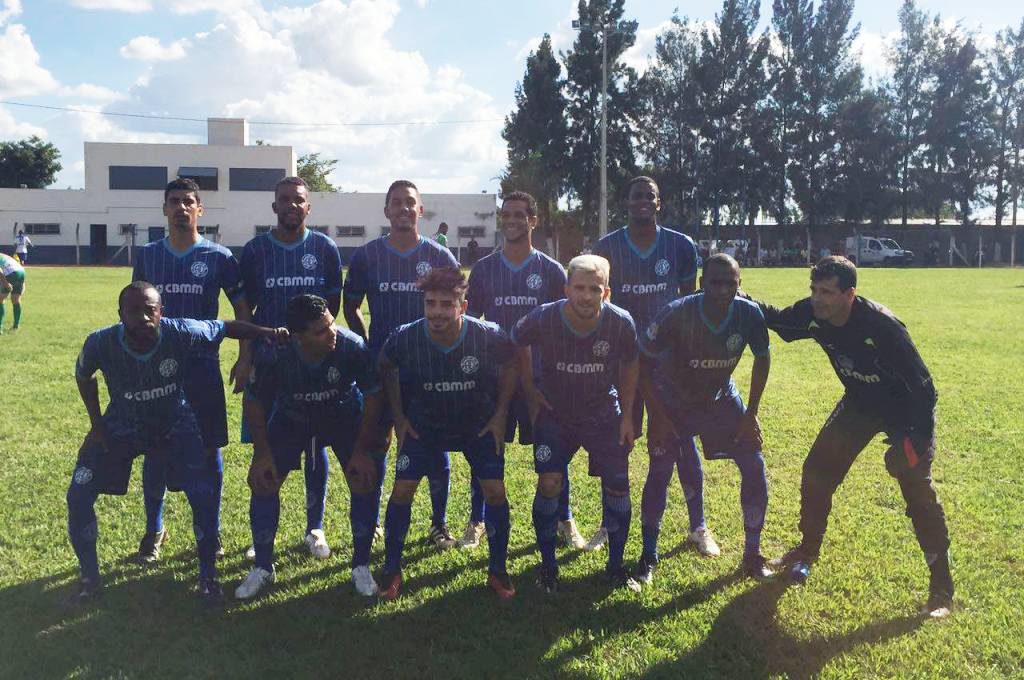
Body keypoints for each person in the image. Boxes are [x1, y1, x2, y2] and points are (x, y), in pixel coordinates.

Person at [756, 256, 954, 618]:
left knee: (917, 493)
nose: (817, 298)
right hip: (861, 403)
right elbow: (779, 320)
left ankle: (941, 588)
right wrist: (737, 295)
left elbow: (924, 388)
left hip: (905, 411)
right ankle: (807, 550)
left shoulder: (883, 326)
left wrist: (917, 440)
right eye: (814, 289)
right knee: (816, 471)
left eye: (827, 292)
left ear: (850, 294)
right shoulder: (813, 314)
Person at [66, 282, 285, 604]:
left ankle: (208, 577)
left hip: (174, 424)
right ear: (120, 314)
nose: (143, 317)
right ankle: (89, 578)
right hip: (122, 425)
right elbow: (84, 375)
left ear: (161, 312)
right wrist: (97, 426)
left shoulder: (181, 331)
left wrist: (267, 332)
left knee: (203, 494)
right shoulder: (100, 342)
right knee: (78, 494)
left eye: (150, 310)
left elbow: (226, 327)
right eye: (133, 311)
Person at [593, 176, 717, 557]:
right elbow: (599, 305)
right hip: (623, 362)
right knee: (618, 441)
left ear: (659, 203)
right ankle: (608, 522)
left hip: (668, 365)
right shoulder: (607, 248)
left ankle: (698, 525)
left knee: (682, 441)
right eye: (636, 196)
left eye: (650, 196)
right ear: (626, 202)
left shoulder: (680, 245)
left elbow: (691, 304)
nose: (643, 201)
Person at [377, 267, 518, 600]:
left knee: (495, 491)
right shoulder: (405, 336)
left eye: (446, 304)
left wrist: (500, 413)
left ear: (463, 306)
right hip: (425, 425)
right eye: (431, 304)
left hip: (477, 424)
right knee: (402, 490)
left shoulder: (488, 335)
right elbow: (386, 365)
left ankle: (498, 569)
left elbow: (513, 363)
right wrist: (399, 417)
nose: (437, 312)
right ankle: (392, 569)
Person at [130, 178, 250, 563]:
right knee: (154, 447)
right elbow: (135, 310)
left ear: (200, 209)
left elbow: (242, 308)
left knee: (209, 447)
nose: (181, 208)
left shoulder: (219, 256)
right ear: (164, 209)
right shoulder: (148, 256)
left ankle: (210, 533)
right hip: (156, 369)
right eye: (174, 202)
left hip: (202, 366)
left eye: (188, 202)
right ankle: (154, 530)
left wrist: (245, 356)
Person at [236, 294, 385, 599]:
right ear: (297, 337)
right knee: (264, 481)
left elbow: (373, 396)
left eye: (331, 324)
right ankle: (263, 567)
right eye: (320, 331)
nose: (332, 333)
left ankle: (361, 565)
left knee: (363, 479)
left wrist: (362, 450)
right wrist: (262, 455)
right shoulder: (273, 353)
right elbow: (253, 403)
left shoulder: (351, 346)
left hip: (343, 416)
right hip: (292, 418)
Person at [637, 254, 773, 584]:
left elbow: (762, 358)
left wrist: (751, 414)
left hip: (721, 400)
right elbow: (642, 363)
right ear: (701, 283)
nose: (723, 289)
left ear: (740, 284)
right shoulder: (677, 312)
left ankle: (752, 555)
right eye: (715, 282)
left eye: (731, 283)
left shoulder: (749, 314)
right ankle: (648, 556)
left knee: (754, 464)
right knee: (660, 471)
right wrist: (658, 416)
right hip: (673, 403)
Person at [512, 254, 642, 593]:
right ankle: (548, 567)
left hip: (603, 413)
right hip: (555, 414)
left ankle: (616, 567)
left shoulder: (621, 322)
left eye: (595, 289)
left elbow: (630, 364)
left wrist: (628, 415)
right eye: (579, 288)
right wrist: (530, 389)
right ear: (566, 289)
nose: (586, 296)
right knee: (549, 483)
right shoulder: (544, 317)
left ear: (606, 292)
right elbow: (517, 340)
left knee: (618, 486)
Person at [343, 180, 461, 550]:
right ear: (386, 210)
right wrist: (368, 345)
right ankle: (376, 520)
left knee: (435, 441)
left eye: (410, 203)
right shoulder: (368, 255)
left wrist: (445, 348)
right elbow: (351, 305)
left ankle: (439, 523)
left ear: (420, 210)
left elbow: (458, 307)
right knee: (378, 440)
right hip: (383, 365)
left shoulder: (439, 256)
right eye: (396, 203)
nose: (404, 209)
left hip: (429, 367)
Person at [463, 191, 578, 550]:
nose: (511, 220)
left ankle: (564, 518)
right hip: (495, 377)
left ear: (533, 221)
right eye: (506, 214)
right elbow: (471, 323)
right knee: (487, 446)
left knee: (553, 448)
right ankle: (477, 518)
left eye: (519, 215)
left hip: (541, 378)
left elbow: (563, 326)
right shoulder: (484, 269)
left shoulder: (551, 270)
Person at [239, 176, 344, 559]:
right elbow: (245, 309)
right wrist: (246, 356)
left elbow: (332, 306)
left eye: (298, 200)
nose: (291, 206)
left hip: (313, 365)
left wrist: (319, 346)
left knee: (315, 445)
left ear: (308, 207)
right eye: (284, 199)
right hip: (269, 364)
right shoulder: (255, 251)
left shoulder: (325, 248)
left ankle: (315, 527)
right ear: (275, 206)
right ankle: (264, 534)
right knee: (267, 445)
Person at [0, 252, 25, 333]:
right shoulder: (3, 255)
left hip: (10, 273)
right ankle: (16, 326)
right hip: (21, 272)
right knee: (16, 300)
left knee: (1, 299)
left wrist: (6, 284)